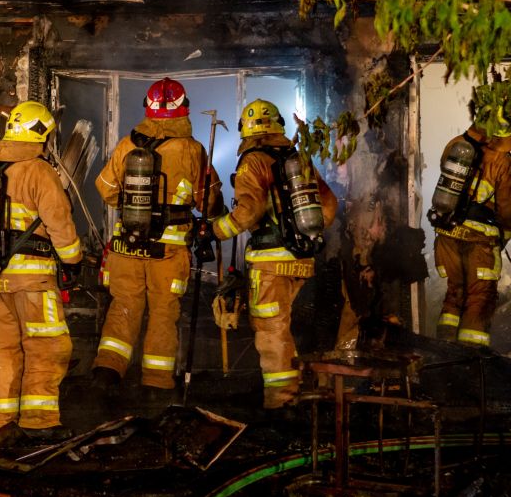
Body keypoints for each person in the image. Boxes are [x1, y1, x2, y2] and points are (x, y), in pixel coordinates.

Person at [91, 77, 223, 395]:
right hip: (168, 251)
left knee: (124, 306)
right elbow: (208, 201)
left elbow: (105, 188)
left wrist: (130, 206)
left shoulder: (128, 144)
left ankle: (107, 372)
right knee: (163, 313)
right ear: (184, 109)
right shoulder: (193, 150)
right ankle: (156, 384)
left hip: (128, 245)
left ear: (147, 109)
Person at [205, 99, 338, 411]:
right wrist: (303, 235)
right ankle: (302, 392)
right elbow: (329, 206)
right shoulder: (297, 158)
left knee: (271, 331)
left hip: (269, 263)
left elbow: (248, 212)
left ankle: (282, 403)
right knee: (287, 327)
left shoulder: (252, 161)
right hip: (302, 259)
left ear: (245, 129)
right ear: (278, 125)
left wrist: (215, 231)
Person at [0, 100, 83, 442]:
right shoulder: (38, 171)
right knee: (47, 347)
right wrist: (73, 261)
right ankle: (39, 424)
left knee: (5, 351)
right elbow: (59, 222)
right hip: (33, 282)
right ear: (41, 135)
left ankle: (1, 428)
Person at [430, 120, 511, 347]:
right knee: (480, 298)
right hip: (479, 240)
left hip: (448, 232)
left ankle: (444, 350)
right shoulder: (502, 160)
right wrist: (505, 235)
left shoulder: (458, 144)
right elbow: (509, 205)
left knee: (455, 293)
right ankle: (471, 356)